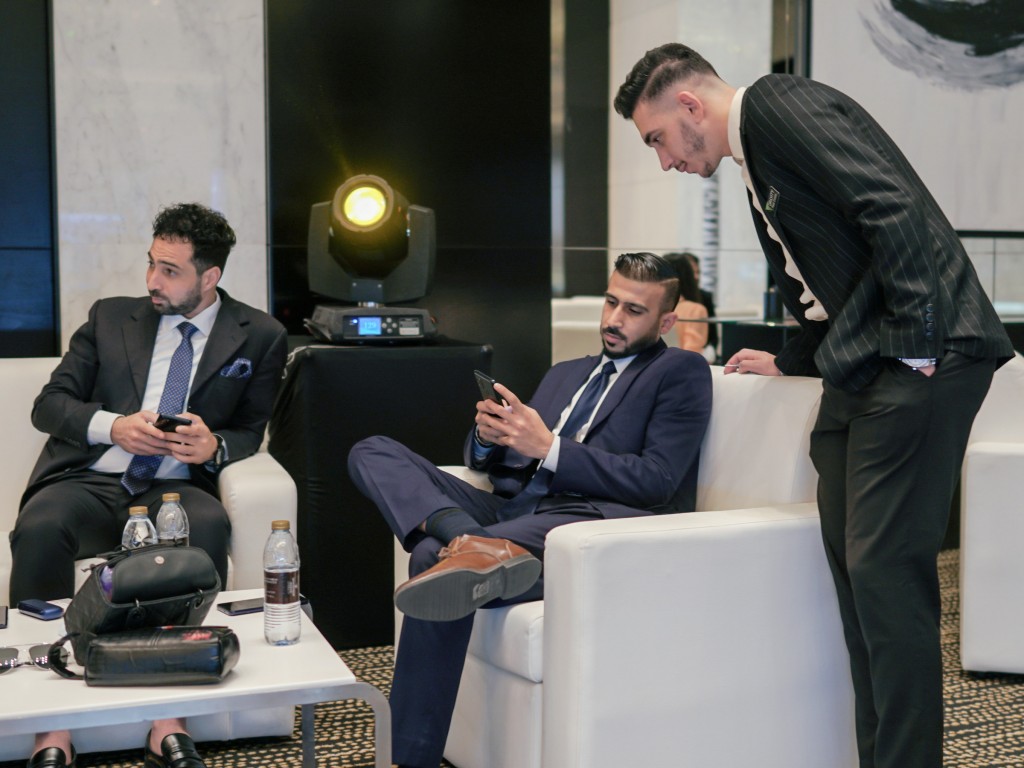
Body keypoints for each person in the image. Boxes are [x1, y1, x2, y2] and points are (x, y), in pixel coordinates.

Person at [614, 44, 1014, 768]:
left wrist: (917, 345)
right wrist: (796, 358)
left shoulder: (775, 106)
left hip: (922, 355)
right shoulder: (755, 155)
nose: (665, 160)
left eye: (657, 139)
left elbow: (889, 207)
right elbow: (833, 278)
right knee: (860, 579)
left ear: (690, 106)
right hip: (865, 365)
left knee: (886, 578)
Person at [348, 252, 712, 768]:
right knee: (373, 450)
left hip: (582, 522)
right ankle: (469, 541)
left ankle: (409, 760)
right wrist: (487, 437)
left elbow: (657, 480)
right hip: (512, 511)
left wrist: (550, 448)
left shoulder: (679, 371)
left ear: (666, 321)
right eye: (611, 302)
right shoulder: (566, 373)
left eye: (634, 310)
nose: (614, 318)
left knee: (430, 557)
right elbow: (502, 467)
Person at [10, 202, 288, 768]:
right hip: (91, 479)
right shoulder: (110, 317)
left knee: (207, 526)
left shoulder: (260, 334)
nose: (151, 281)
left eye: (170, 270)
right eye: (151, 264)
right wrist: (113, 426)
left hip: (174, 489)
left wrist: (214, 446)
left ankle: (168, 719)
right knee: (41, 527)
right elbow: (49, 405)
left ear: (209, 276)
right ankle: (49, 726)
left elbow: (249, 429)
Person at [663, 252, 710, 356]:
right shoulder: (695, 310)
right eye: (694, 272)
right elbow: (692, 350)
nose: (697, 277)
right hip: (679, 362)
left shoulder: (652, 305)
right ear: (688, 276)